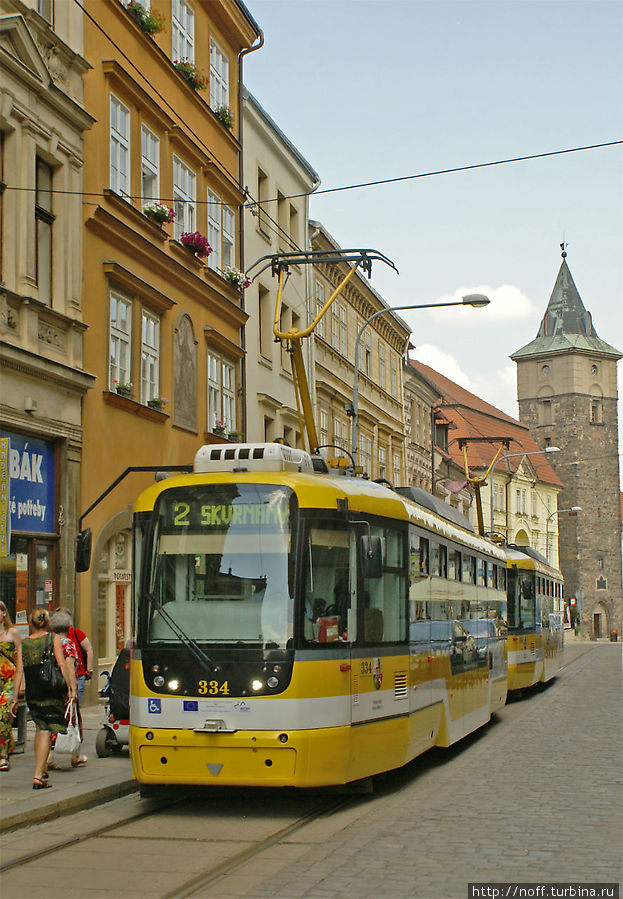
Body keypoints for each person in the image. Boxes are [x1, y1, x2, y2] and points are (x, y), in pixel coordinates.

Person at [21, 607, 73, 789]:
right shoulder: (53, 639)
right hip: (48, 690)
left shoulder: (25, 642)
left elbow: (21, 670)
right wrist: (70, 687)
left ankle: (41, 768)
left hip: (33, 691)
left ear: (31, 623)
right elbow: (61, 663)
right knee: (45, 729)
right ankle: (38, 776)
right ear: (47, 622)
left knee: (38, 726)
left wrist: (14, 698)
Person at [48, 610, 87, 768]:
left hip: (51, 686)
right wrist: (72, 688)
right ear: (69, 626)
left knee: (52, 720)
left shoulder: (49, 642)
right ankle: (75, 755)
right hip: (64, 687)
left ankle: (48, 757)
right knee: (73, 719)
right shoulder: (68, 643)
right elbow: (70, 666)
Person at [0, 602, 23, 771]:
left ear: (3, 614)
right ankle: (8, 743)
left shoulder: (12, 633)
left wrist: (21, 683)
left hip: (9, 679)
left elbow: (20, 662)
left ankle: (3, 755)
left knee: (2, 715)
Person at [55, 607, 94, 704]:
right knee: (72, 708)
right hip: (66, 676)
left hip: (75, 675)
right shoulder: (54, 637)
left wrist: (89, 669)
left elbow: (88, 649)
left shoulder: (76, 633)